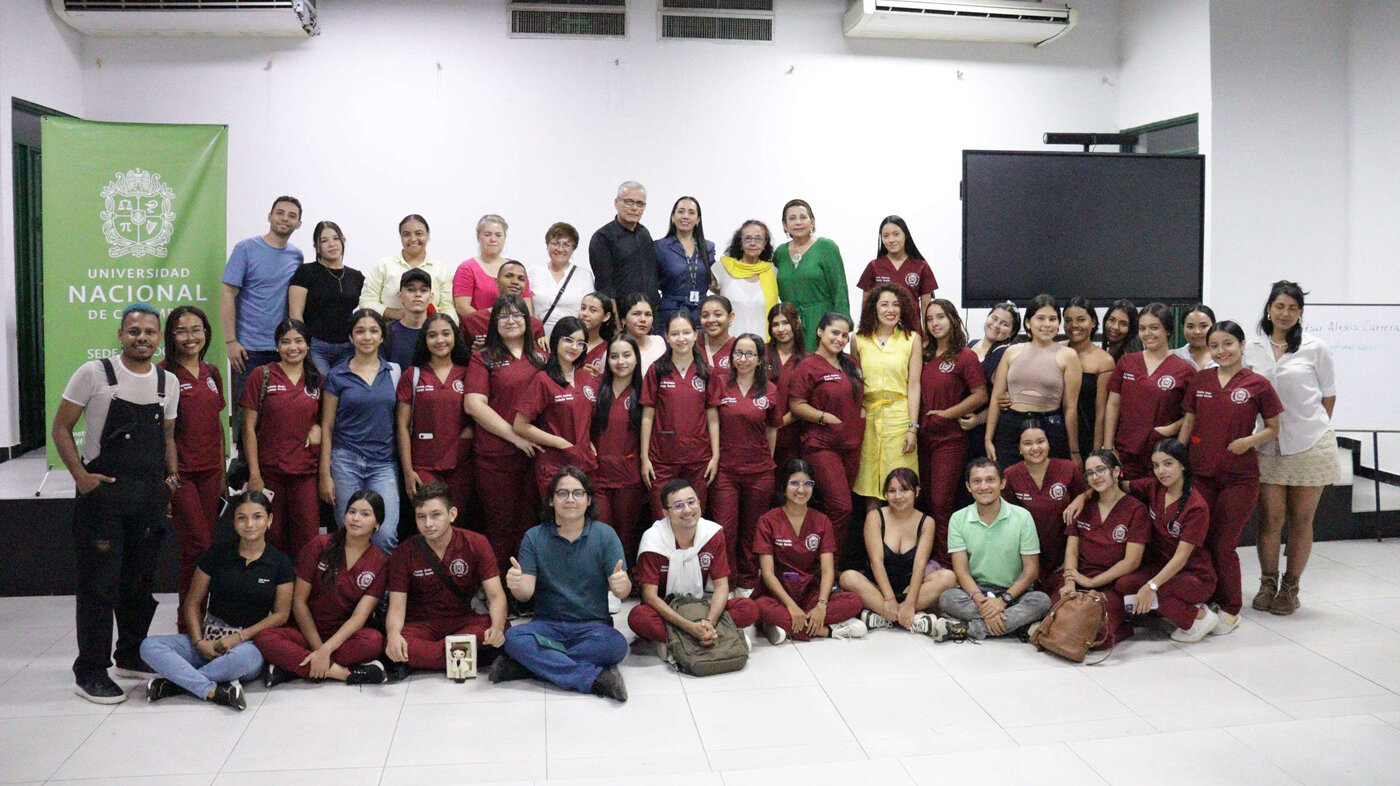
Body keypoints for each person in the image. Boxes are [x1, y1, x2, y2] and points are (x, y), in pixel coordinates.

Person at [53, 303, 180, 703]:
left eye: (149, 332)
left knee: (139, 583)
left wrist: (172, 479)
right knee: (99, 586)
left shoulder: (167, 381)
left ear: (159, 337)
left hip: (148, 498)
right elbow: (61, 427)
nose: (141, 337)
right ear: (121, 334)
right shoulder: (95, 373)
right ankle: (90, 670)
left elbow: (169, 437)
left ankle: (130, 654)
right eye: (134, 331)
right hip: (102, 499)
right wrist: (81, 477)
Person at [141, 491, 293, 711]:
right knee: (149, 646)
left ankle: (176, 684)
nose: (249, 524)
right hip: (208, 638)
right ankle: (212, 689)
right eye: (242, 517)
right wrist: (198, 642)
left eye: (257, 517)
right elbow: (192, 603)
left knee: (244, 661)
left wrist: (239, 637)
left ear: (269, 520)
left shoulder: (280, 563)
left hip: (245, 644)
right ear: (234, 522)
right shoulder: (217, 554)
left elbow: (281, 615)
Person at [493, 468, 631, 702]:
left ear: (588, 500)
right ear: (551, 500)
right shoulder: (534, 537)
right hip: (547, 625)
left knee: (617, 646)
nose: (570, 499)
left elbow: (622, 589)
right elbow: (525, 594)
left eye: (578, 493)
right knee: (514, 637)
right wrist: (515, 584)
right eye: (562, 493)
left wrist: (622, 585)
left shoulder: (604, 535)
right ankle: (593, 679)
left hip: (592, 626)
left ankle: (530, 666)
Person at [1180, 320, 1283, 632]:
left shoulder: (1257, 384)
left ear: (1241, 346)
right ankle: (1207, 596)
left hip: (1239, 478)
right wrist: (1176, 457)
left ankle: (1231, 606)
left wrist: (1248, 442)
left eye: (1227, 344)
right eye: (1215, 346)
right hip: (1201, 474)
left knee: (1224, 543)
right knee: (1199, 540)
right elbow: (1188, 421)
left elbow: (1273, 428)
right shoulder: (1200, 380)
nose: (1221, 351)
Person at [1244, 281, 1338, 616]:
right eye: (1280, 306)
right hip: (1267, 445)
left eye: (1293, 308)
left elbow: (1328, 396)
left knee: (1301, 520)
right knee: (1270, 520)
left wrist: (1306, 428)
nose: (1285, 313)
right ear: (1269, 308)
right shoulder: (1251, 348)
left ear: (1300, 314)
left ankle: (1290, 588)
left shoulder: (1315, 347)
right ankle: (1268, 582)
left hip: (1310, 444)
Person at [255, 490, 390, 686]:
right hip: (304, 630)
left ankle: (292, 667)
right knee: (264, 637)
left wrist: (326, 651)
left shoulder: (380, 561)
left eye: (365, 514)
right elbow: (299, 602)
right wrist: (319, 649)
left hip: (342, 635)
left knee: (374, 641)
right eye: (351, 511)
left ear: (377, 524)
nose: (355, 518)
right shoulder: (319, 545)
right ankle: (344, 674)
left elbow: (359, 618)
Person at [384, 483, 508, 680]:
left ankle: (425, 660)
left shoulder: (476, 543)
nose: (428, 524)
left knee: (498, 630)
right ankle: (468, 656)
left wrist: (498, 628)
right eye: (421, 517)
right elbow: (397, 607)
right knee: (399, 642)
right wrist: (393, 635)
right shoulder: (404, 552)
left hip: (463, 620)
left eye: (436, 515)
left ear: (452, 514)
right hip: (422, 625)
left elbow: (496, 596)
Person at [628, 479, 761, 659]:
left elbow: (722, 586)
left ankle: (680, 641)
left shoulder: (712, 533)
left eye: (691, 502)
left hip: (700, 607)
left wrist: (710, 622)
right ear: (665, 513)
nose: (687, 510)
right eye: (678, 506)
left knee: (748, 608)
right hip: (667, 610)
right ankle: (721, 636)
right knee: (638, 618)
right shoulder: (654, 540)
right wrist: (689, 627)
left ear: (699, 503)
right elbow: (649, 597)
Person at [1102, 439, 1219, 642]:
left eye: (1168, 464)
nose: (1161, 471)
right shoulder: (1153, 487)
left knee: (1158, 595)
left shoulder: (1196, 507)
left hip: (1195, 575)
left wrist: (1152, 586)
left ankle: (1201, 616)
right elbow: (1117, 485)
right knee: (1124, 585)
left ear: (1182, 464)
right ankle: (1174, 609)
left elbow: (1181, 558)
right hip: (1161, 568)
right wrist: (1083, 497)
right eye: (1156, 465)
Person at [466, 294, 548, 574]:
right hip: (496, 456)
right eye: (503, 315)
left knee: (531, 524)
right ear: (493, 322)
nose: (511, 320)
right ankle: (498, 589)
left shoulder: (541, 357)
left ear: (528, 320)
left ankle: (525, 587)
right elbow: (474, 404)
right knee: (500, 526)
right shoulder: (483, 358)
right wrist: (515, 437)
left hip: (536, 457)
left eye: (517, 314)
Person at [752, 459, 868, 644]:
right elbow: (767, 573)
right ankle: (826, 631)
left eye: (807, 484)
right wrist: (790, 606)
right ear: (784, 485)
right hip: (779, 595)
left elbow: (828, 570)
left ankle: (785, 627)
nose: (801, 490)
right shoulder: (768, 520)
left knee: (855, 601)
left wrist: (821, 606)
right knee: (758, 606)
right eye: (794, 483)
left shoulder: (822, 521)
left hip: (810, 594)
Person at [938, 459, 1051, 640]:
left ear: (1002, 483)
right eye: (977, 481)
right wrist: (983, 602)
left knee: (1041, 601)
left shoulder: (1022, 517)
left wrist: (1003, 601)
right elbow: (961, 572)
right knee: (947, 598)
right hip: (977, 593)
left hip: (1014, 593)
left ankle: (972, 629)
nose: (984, 487)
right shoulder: (958, 519)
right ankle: (1015, 626)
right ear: (968, 486)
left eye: (990, 480)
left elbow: (1031, 571)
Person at [161, 306, 225, 622]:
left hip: (211, 473)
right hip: (181, 475)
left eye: (196, 329)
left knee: (206, 549)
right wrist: (169, 479)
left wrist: (224, 473)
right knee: (197, 547)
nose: (190, 337)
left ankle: (198, 617)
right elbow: (162, 433)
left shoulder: (212, 372)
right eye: (182, 330)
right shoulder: (162, 374)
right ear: (171, 336)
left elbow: (217, 425)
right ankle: (188, 622)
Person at [838, 469, 958, 637]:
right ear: (885, 494)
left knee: (948, 577)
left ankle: (885, 616)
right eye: (892, 491)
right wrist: (889, 599)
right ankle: (911, 619)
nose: (898, 496)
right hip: (878, 589)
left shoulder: (926, 522)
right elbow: (876, 562)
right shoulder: (875, 516)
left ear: (916, 491)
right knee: (848, 577)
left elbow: (919, 565)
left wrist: (909, 602)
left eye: (904, 490)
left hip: (911, 589)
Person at [222, 196, 304, 443]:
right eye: (280, 213)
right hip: (249, 350)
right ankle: (247, 477)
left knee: (279, 421)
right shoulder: (245, 249)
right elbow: (228, 293)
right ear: (269, 216)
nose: (285, 219)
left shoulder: (296, 256)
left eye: (292, 215)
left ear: (298, 223)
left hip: (284, 350)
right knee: (247, 421)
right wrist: (230, 341)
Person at [319, 309, 402, 552]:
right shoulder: (337, 375)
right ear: (351, 337)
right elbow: (327, 426)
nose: (367, 336)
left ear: (382, 337)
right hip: (345, 462)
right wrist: (325, 474)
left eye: (374, 330)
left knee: (385, 534)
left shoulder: (394, 372)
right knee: (350, 533)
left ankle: (382, 590)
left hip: (383, 464)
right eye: (360, 331)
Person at [242, 319, 323, 562]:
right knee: (270, 536)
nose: (292, 347)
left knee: (308, 539)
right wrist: (254, 474)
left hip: (305, 472)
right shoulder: (262, 375)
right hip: (270, 473)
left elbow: (325, 420)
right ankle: (274, 594)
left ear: (308, 345)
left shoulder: (317, 379)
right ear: (277, 346)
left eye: (298, 341)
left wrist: (317, 426)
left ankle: (301, 597)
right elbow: (247, 427)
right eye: (285, 342)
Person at [786, 312, 865, 553]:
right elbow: (796, 405)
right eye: (834, 332)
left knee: (836, 508)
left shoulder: (851, 362)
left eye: (844, 335)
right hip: (821, 445)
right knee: (841, 507)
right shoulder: (808, 365)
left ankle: (829, 564)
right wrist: (824, 417)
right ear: (820, 332)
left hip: (851, 445)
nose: (840, 339)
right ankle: (824, 563)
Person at [1054, 450, 1148, 648]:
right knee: (1058, 617)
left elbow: (1132, 561)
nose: (1095, 477)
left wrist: (1092, 581)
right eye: (1089, 473)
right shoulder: (1082, 507)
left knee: (1096, 635)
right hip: (1079, 576)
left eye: (1100, 470)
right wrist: (1070, 582)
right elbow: (1071, 551)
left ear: (1115, 472)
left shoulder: (1136, 509)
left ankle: (1122, 627)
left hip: (1110, 584)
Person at [918, 299, 988, 560]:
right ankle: (929, 559)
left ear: (953, 319)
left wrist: (948, 413)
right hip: (921, 438)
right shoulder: (924, 355)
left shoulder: (964, 355)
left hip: (950, 439)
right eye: (930, 319)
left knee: (942, 502)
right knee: (924, 501)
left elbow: (981, 395)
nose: (935, 323)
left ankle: (948, 563)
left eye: (940, 317)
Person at [711, 334, 781, 591]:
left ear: (760, 360)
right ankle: (725, 584)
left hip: (760, 472)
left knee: (753, 530)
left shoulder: (771, 390)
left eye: (750, 354)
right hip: (725, 471)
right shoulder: (718, 384)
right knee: (725, 530)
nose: (743, 359)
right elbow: (711, 422)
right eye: (738, 353)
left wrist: (766, 460)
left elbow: (773, 429)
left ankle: (748, 582)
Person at [986, 294, 1082, 469]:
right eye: (1041, 318)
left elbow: (1070, 407)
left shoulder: (1068, 356)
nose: (1047, 324)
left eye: (1053, 319)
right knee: (1008, 484)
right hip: (1010, 427)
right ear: (1028, 322)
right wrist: (988, 438)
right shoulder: (1011, 352)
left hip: (1050, 427)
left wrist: (1074, 450)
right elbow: (995, 398)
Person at [641, 311, 721, 517]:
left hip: (698, 458)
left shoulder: (706, 372)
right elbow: (648, 415)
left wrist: (715, 456)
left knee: (693, 516)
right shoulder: (657, 370)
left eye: (686, 332)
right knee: (662, 516)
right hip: (662, 458)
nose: (681, 338)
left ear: (696, 335)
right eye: (675, 334)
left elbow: (712, 417)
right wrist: (644, 457)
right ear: (666, 336)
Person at [1103, 303, 1195, 479]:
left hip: (1161, 455)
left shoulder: (1185, 370)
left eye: (1154, 328)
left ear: (1167, 330)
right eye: (1142, 328)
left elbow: (1194, 414)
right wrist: (1108, 448)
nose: (1147, 334)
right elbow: (1113, 405)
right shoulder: (1127, 362)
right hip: (1124, 452)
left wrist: (1168, 430)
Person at [851, 285, 922, 508]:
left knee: (900, 483)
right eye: (884, 304)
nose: (890, 310)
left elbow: (914, 385)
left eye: (896, 304)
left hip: (899, 416)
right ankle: (874, 540)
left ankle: (900, 540)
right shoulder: (858, 339)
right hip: (868, 416)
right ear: (874, 308)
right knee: (869, 484)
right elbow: (854, 382)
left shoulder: (912, 339)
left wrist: (912, 427)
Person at [395, 312, 473, 515]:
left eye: (446, 334)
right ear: (424, 340)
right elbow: (402, 426)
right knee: (431, 520)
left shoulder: (469, 372)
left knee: (457, 520)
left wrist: (469, 432)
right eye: (432, 335)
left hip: (461, 464)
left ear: (455, 337)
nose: (440, 340)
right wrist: (407, 472)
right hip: (423, 465)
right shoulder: (412, 375)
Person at [514, 317, 600, 497]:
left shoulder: (587, 378)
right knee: (558, 520)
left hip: (584, 462)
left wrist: (587, 440)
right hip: (555, 465)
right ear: (556, 340)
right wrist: (560, 443)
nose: (574, 347)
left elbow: (586, 417)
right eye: (568, 340)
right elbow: (520, 425)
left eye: (580, 343)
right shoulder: (543, 379)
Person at [1003, 420, 1088, 592]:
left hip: (1066, 558)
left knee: (1060, 603)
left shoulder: (1068, 468)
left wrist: (1083, 496)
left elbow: (1091, 494)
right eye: (1027, 444)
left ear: (1049, 443)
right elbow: (1005, 519)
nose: (1035, 448)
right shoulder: (1010, 475)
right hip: (1026, 561)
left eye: (1040, 441)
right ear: (1019, 448)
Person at [591, 334, 648, 568]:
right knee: (602, 531)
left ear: (636, 359)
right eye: (614, 356)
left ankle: (623, 579)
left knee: (626, 533)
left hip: (629, 476)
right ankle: (602, 581)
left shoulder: (645, 392)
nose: (620, 361)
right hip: (598, 474)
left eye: (626, 355)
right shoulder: (595, 390)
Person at [289, 220, 364, 375]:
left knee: (344, 389)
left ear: (343, 241)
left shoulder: (355, 276)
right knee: (323, 386)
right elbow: (295, 313)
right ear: (317, 246)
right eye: (324, 240)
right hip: (316, 346)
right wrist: (304, 344)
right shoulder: (306, 272)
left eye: (336, 238)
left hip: (347, 346)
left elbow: (368, 306)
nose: (332, 244)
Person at [774, 199, 849, 351]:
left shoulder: (826, 247)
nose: (798, 222)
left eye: (803, 217)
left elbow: (839, 289)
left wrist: (842, 327)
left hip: (822, 321)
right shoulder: (780, 253)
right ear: (785, 225)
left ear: (812, 222)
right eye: (792, 218)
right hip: (790, 327)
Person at [359, 214, 453, 320]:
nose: (413, 239)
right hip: (389, 331)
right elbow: (366, 301)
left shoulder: (441, 269)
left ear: (428, 235)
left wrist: (445, 328)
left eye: (419, 234)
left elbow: (448, 307)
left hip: (431, 333)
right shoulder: (383, 266)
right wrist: (393, 313)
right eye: (406, 234)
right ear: (401, 237)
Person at [960, 302, 1020, 464]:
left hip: (985, 429)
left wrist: (978, 419)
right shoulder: (972, 344)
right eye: (994, 318)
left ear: (1011, 332)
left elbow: (1003, 398)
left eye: (1004, 324)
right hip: (962, 424)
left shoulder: (1004, 353)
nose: (996, 325)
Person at [589, 180, 659, 309]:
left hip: (649, 313)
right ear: (616, 203)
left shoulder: (644, 234)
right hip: (621, 314)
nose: (634, 208)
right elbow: (605, 287)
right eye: (629, 202)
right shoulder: (602, 237)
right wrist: (615, 321)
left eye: (640, 204)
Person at [1061, 296, 1115, 456]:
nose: (1074, 325)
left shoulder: (1104, 360)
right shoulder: (1055, 351)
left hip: (1085, 435)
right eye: (1068, 320)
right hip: (1053, 433)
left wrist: (1097, 452)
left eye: (1081, 319)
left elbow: (1101, 413)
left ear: (1093, 322)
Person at [454, 214, 534, 320]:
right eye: (487, 235)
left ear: (504, 238)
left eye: (498, 235)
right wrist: (495, 324)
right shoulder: (467, 268)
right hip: (479, 330)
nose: (493, 239)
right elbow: (462, 307)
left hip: (514, 329)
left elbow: (527, 309)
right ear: (478, 237)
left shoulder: (516, 268)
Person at [655, 196, 716, 328]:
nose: (685, 216)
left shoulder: (708, 247)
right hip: (669, 312)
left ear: (698, 219)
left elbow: (714, 282)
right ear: (673, 217)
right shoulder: (660, 247)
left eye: (691, 212)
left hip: (701, 313)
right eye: (681, 211)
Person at [856, 215, 937, 315]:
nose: (891, 240)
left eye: (896, 234)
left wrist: (925, 331)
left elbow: (926, 306)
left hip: (911, 329)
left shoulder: (921, 266)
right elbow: (866, 305)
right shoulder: (873, 266)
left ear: (905, 235)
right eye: (886, 236)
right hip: (882, 329)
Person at [461, 260, 546, 350]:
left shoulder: (535, 325)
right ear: (497, 282)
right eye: (509, 276)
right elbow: (461, 357)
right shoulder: (472, 321)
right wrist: (479, 355)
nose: (515, 282)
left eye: (521, 279)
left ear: (525, 287)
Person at [714, 220, 778, 339]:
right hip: (730, 346)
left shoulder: (772, 271)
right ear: (740, 243)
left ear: (765, 244)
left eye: (758, 239)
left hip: (764, 347)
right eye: (747, 238)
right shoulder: (722, 268)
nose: (753, 243)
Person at [766, 303, 808, 478]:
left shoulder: (807, 359)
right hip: (761, 434)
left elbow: (805, 401)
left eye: (785, 323)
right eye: (775, 324)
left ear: (796, 323)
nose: (780, 329)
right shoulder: (761, 353)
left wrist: (779, 423)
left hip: (792, 436)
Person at [531, 222, 594, 337]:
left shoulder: (584, 276)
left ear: (574, 247)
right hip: (538, 336)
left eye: (566, 245)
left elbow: (589, 311)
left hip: (572, 337)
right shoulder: (533, 272)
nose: (560, 249)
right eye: (555, 243)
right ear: (547, 245)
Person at [385, 268, 433, 372]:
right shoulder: (387, 333)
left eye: (423, 290)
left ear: (431, 297)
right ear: (400, 296)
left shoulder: (439, 333)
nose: (418, 294)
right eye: (411, 290)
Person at [618, 292, 666, 374]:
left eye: (648, 314)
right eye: (636, 314)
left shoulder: (659, 342)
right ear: (623, 319)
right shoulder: (615, 347)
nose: (643, 319)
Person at [577, 291, 616, 377]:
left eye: (593, 310)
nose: (585, 314)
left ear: (606, 316)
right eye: (583, 308)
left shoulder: (608, 349)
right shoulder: (566, 341)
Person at [1172, 303, 1218, 371]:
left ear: (1214, 326)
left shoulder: (1224, 357)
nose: (1197, 332)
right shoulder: (1172, 357)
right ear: (1183, 328)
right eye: (1190, 327)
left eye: (1204, 326)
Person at [698, 295, 737, 373]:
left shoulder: (738, 347)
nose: (711, 320)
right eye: (705, 316)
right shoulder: (692, 344)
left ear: (730, 317)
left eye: (718, 315)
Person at [1102, 299, 1143, 363]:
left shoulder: (1130, 359)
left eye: (1123, 324)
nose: (1115, 327)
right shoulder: (1103, 350)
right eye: (1112, 320)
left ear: (1132, 328)